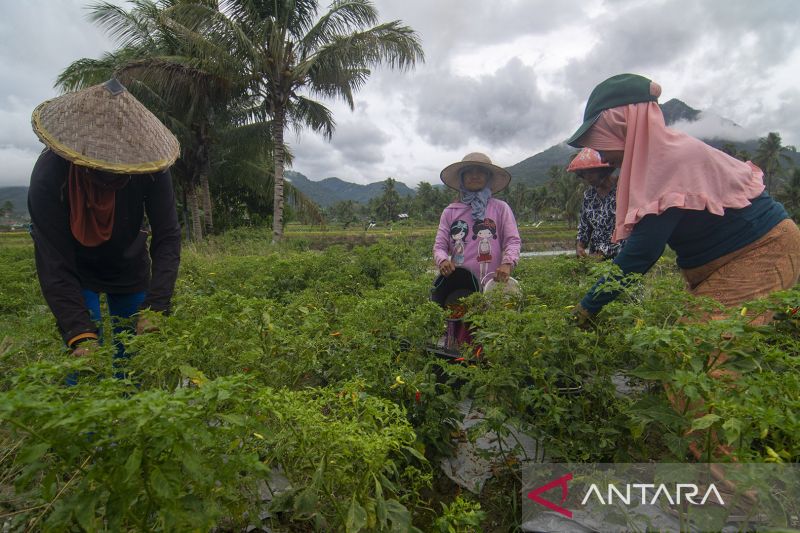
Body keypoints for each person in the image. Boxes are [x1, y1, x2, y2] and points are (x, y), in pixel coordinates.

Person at [565, 73, 800, 322]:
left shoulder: (666, 163)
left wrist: (587, 308)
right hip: (719, 261)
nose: (601, 157)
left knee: (705, 349)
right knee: (687, 344)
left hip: (759, 250)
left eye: (601, 144)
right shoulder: (651, 163)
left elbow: (643, 252)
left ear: (622, 127)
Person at [28, 79, 182, 371]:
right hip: (73, 267)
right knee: (83, 363)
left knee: (132, 358)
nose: (110, 175)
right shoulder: (50, 174)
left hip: (127, 261)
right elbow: (53, 259)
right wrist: (79, 333)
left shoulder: (150, 167)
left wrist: (156, 307)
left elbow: (168, 236)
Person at [434, 152, 521, 287]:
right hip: (460, 285)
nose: (474, 175)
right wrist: (443, 261)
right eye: (469, 172)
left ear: (488, 177)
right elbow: (440, 246)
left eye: (480, 171)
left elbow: (513, 241)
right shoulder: (450, 212)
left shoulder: (501, 208)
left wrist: (507, 263)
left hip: (494, 284)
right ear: (462, 177)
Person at [568, 148, 622, 259]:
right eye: (584, 174)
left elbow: (630, 231)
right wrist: (580, 246)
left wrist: (604, 252)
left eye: (591, 172)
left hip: (621, 259)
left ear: (603, 170)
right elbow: (584, 227)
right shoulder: (589, 196)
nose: (588, 178)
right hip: (595, 259)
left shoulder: (622, 190)